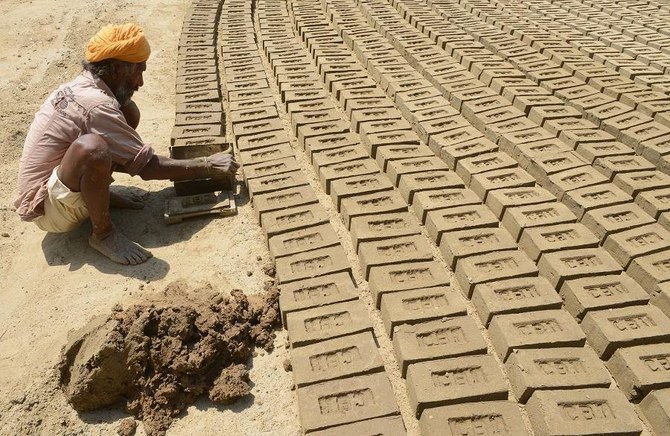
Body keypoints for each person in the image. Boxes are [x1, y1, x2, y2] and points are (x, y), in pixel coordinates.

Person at [14, 23, 238, 265]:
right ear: (116, 69)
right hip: (47, 209)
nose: (140, 82)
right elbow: (148, 168)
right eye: (138, 71)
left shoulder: (85, 85)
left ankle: (98, 196)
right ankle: (103, 234)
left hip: (60, 184)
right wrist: (208, 165)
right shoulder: (96, 105)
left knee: (127, 111)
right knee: (92, 148)